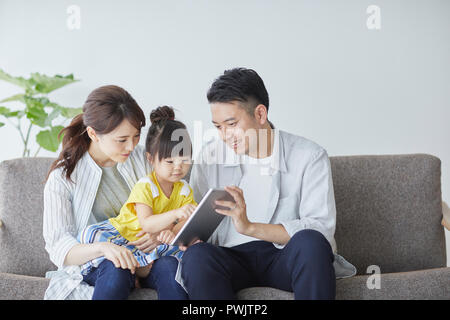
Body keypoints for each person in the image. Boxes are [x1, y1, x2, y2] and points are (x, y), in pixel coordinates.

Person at [180, 68, 356, 300]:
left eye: (231, 123)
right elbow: (197, 223)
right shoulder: (209, 158)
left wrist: (249, 227)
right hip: (231, 259)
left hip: (282, 257)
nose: (225, 135)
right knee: (197, 257)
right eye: (218, 126)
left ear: (260, 114)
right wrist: (187, 235)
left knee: (311, 242)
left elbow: (321, 228)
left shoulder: (309, 156)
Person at [43, 86, 188, 300]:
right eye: (121, 140)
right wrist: (104, 249)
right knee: (115, 269)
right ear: (93, 133)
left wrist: (163, 235)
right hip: (98, 262)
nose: (131, 146)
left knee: (170, 268)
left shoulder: (144, 159)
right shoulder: (64, 177)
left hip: (149, 256)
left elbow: (176, 202)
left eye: (136, 136)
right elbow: (59, 247)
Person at [77, 106, 196, 298]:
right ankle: (135, 272)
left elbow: (184, 224)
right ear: (151, 159)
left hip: (149, 244)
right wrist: (175, 215)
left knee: (176, 260)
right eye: (170, 161)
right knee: (103, 247)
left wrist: (172, 231)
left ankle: (139, 272)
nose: (178, 168)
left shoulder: (184, 189)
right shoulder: (146, 185)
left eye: (184, 160)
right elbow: (146, 223)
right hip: (125, 236)